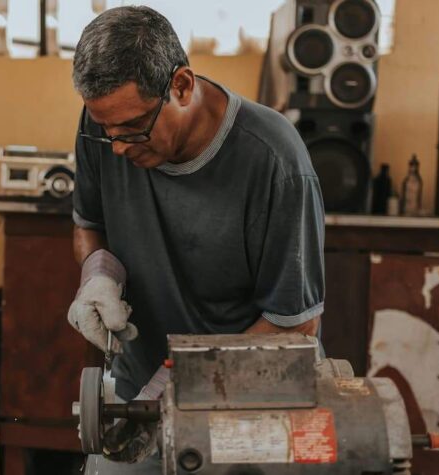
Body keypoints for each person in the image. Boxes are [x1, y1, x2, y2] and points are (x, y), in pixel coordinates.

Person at [66, 6, 326, 473]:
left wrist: (181, 384)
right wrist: (97, 275)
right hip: (139, 392)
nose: (118, 148)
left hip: (246, 398)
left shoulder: (274, 160)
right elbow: (89, 224)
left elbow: (295, 325)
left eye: (133, 130)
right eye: (108, 133)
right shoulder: (104, 124)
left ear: (182, 86)